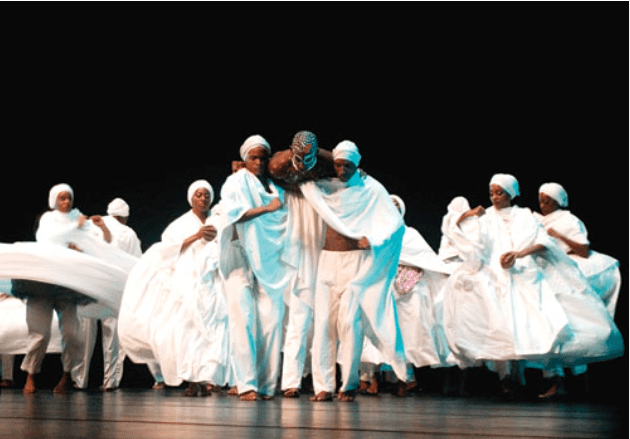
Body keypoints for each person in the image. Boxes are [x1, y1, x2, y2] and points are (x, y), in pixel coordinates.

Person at [440, 174, 623, 395]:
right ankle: (507, 377)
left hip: (524, 272)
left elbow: (543, 242)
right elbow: (455, 228)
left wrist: (519, 254)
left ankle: (553, 378)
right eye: (492, 193)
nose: (495, 197)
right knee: (500, 325)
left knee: (542, 324)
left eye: (500, 192)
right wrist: (469, 214)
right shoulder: (485, 217)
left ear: (511, 194)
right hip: (494, 276)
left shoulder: (525, 215)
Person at [300, 141, 407, 403]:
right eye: (338, 164)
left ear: (358, 165)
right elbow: (296, 164)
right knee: (323, 323)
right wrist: (323, 154)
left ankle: (347, 385)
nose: (342, 170)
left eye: (348, 165)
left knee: (349, 324)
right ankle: (322, 386)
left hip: (356, 262)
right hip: (327, 260)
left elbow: (395, 224)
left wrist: (373, 238)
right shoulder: (325, 186)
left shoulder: (371, 189)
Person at [119, 180, 227, 397]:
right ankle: (191, 380)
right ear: (191, 198)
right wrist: (197, 236)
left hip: (213, 279)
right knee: (187, 330)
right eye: (199, 195)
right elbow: (166, 250)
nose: (203, 198)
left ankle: (209, 378)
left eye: (206, 195)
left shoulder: (218, 220)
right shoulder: (179, 224)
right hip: (187, 281)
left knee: (213, 330)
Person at [218, 135, 296, 401]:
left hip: (269, 260)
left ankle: (266, 384)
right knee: (243, 319)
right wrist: (266, 209)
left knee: (272, 321)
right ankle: (246, 383)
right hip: (240, 257)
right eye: (254, 157)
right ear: (244, 159)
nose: (259, 162)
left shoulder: (276, 186)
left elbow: (286, 209)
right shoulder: (235, 182)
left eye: (263, 157)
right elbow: (234, 214)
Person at [533, 183, 623, 399]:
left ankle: (577, 381)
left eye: (548, 200)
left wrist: (559, 236)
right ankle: (557, 381)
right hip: (547, 276)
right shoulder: (538, 220)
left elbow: (583, 249)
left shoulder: (568, 220)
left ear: (558, 201)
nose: (543, 204)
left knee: (576, 328)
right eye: (541, 199)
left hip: (567, 277)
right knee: (550, 327)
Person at [22, 184, 112, 394]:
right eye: (62, 198)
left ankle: (66, 376)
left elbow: (103, 244)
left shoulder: (78, 218)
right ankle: (31, 374)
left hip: (67, 285)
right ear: (54, 200)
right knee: (40, 335)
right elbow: (47, 239)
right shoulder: (48, 219)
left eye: (69, 198)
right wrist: (76, 229)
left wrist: (100, 230)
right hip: (42, 281)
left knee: (73, 334)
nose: (66, 202)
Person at [360, 195, 452, 397]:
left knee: (405, 335)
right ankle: (371, 377)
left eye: (395, 206)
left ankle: (406, 378)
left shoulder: (409, 235)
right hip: (380, 287)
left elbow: (427, 259)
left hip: (406, 290)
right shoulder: (374, 233)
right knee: (376, 332)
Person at [268, 131, 331, 398]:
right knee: (298, 317)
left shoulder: (326, 162)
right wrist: (301, 189)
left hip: (320, 220)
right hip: (297, 228)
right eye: (300, 157)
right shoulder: (278, 163)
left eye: (309, 158)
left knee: (324, 323)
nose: (304, 162)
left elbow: (346, 171)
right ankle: (291, 381)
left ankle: (324, 384)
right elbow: (269, 177)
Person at [72, 198, 142, 392]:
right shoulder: (129, 233)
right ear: (125, 216)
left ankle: (79, 380)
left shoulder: (91, 226)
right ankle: (110, 381)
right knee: (111, 337)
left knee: (85, 334)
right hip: (114, 287)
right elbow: (137, 263)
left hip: (89, 284)